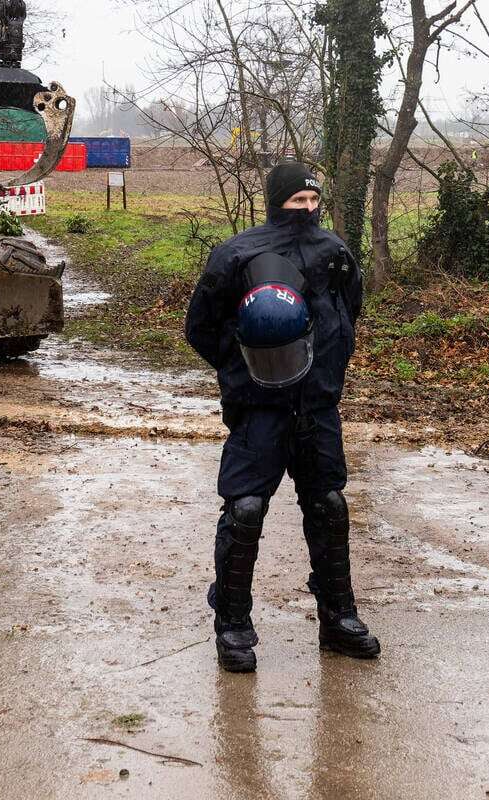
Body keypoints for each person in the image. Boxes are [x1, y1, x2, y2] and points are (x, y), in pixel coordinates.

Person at [185, 162, 377, 673]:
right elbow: (200, 327)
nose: (307, 210)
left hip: (317, 407)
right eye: (297, 202)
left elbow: (348, 312)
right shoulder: (236, 253)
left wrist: (328, 368)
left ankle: (338, 617)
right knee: (245, 510)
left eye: (314, 202)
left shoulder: (334, 251)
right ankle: (232, 624)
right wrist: (240, 369)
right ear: (277, 201)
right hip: (258, 409)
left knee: (329, 506)